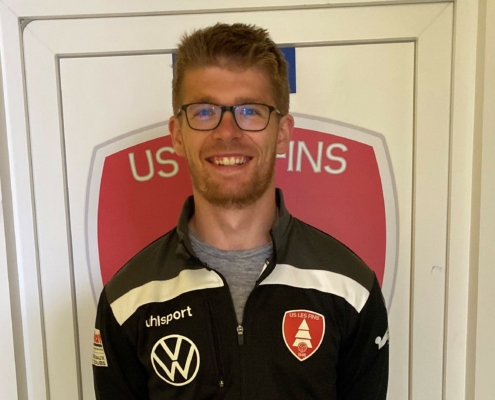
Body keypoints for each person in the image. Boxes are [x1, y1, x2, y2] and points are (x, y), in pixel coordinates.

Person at [93, 22, 389, 399]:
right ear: (177, 134)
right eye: (204, 112)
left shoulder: (350, 289)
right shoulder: (127, 299)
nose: (227, 132)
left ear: (282, 133)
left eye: (250, 111)